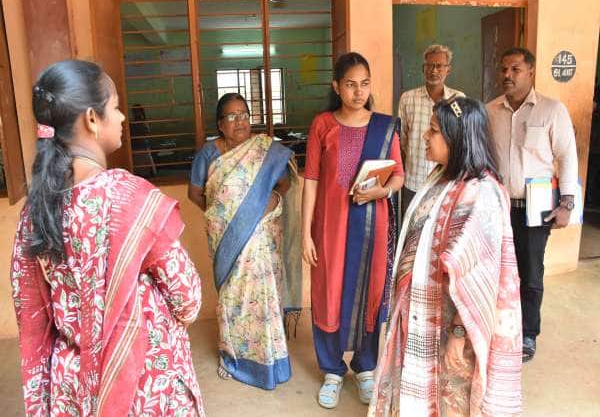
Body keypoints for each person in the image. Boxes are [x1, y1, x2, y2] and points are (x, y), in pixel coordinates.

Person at [10, 60, 204, 416]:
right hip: (142, 383)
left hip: (73, 384)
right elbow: (187, 299)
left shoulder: (34, 209)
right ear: (91, 119)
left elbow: (32, 309)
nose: (123, 117)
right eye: (115, 107)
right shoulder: (131, 199)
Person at [369, 97, 522, 417]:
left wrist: (458, 334)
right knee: (422, 389)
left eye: (434, 130)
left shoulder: (481, 192)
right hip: (421, 311)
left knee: (451, 395)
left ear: (457, 138)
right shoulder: (442, 177)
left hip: (452, 323)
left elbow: (479, 272)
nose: (425, 136)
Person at [302, 52, 404, 409]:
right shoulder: (322, 125)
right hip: (329, 228)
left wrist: (382, 192)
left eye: (364, 84)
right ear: (336, 87)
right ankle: (332, 371)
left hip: (372, 225)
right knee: (328, 291)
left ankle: (365, 367)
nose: (359, 92)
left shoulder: (385, 127)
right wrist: (305, 234)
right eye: (350, 84)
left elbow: (398, 175)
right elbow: (311, 181)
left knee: (370, 290)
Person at [188, 93, 301, 390]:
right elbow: (195, 193)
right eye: (232, 116)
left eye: (244, 115)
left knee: (264, 296)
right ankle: (232, 356)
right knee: (233, 298)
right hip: (227, 237)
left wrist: (270, 199)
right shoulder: (208, 154)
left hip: (263, 236)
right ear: (220, 124)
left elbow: (284, 183)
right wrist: (224, 215)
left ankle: (271, 358)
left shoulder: (266, 151)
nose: (240, 121)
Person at [486, 47, 579, 362]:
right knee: (498, 269)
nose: (507, 75)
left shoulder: (552, 110)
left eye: (515, 69)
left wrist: (567, 204)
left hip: (536, 207)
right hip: (498, 205)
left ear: (530, 71)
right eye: (503, 69)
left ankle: (527, 333)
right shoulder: (490, 110)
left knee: (530, 272)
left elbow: (567, 157)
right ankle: (500, 326)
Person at [398, 44, 464, 216]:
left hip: (446, 182)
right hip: (414, 181)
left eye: (439, 66)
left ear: (448, 69)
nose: (434, 70)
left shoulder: (458, 99)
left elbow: (460, 140)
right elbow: (402, 139)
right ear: (423, 68)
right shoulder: (407, 98)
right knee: (411, 227)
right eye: (430, 65)